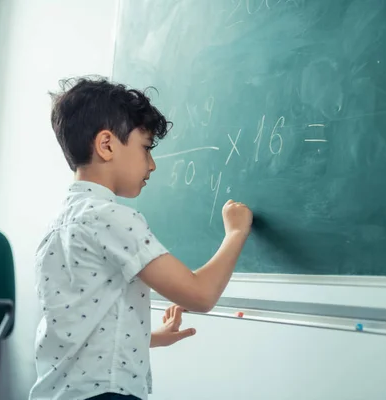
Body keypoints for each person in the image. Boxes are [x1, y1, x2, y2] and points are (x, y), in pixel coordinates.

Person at [29, 76, 253, 400]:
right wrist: (235, 233)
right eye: (146, 148)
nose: (152, 164)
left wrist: (153, 336)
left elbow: (84, 327)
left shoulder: (54, 229)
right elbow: (201, 294)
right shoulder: (111, 218)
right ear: (106, 145)